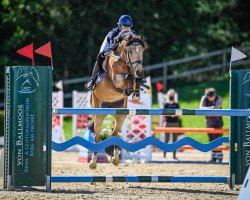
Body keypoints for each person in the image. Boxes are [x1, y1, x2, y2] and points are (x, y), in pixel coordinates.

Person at [85, 15, 145, 91]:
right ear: (120, 26)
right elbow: (112, 46)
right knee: (101, 57)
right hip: (109, 45)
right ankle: (92, 80)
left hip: (123, 52)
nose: (127, 28)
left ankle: (140, 78)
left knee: (136, 58)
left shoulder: (132, 33)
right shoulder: (113, 33)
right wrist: (119, 37)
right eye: (124, 26)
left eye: (129, 26)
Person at [199, 88, 223, 163]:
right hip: (209, 122)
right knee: (211, 140)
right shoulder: (204, 98)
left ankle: (219, 157)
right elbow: (200, 108)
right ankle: (213, 157)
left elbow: (216, 108)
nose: (210, 99)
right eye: (209, 97)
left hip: (217, 122)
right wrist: (211, 108)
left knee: (218, 140)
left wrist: (207, 110)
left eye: (211, 97)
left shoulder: (218, 98)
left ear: (214, 95)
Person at [163, 89, 180, 160]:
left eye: (172, 94)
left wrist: (175, 115)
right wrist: (171, 114)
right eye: (170, 94)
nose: (171, 95)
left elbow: (179, 113)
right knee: (166, 140)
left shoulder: (176, 104)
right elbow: (164, 113)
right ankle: (164, 155)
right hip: (168, 122)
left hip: (175, 123)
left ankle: (174, 155)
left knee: (175, 140)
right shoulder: (166, 104)